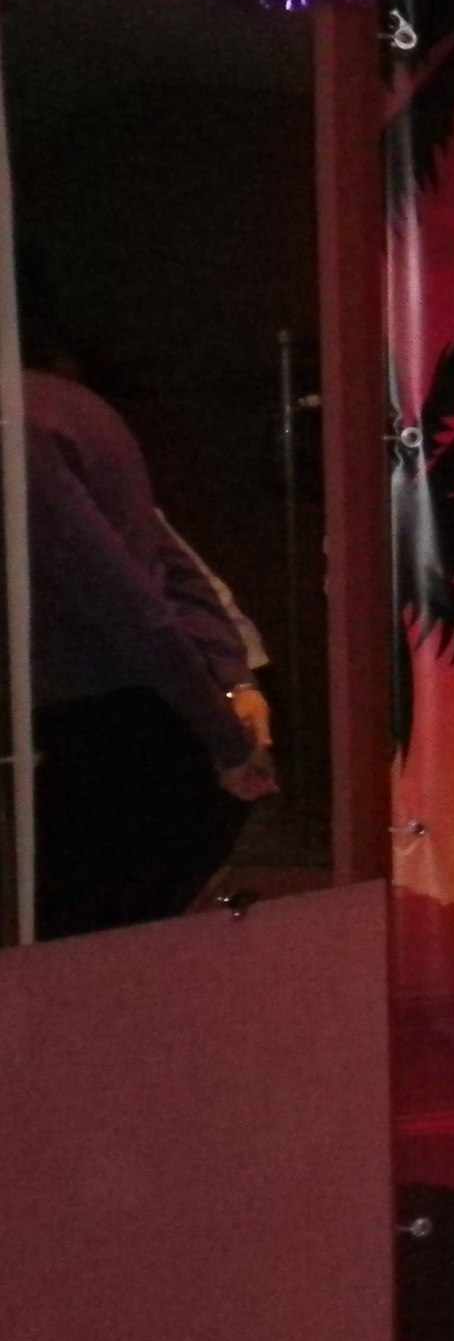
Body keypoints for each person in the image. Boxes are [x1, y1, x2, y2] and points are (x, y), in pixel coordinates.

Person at [23, 326, 276, 938]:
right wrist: (233, 683)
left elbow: (129, 601)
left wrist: (224, 730)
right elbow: (168, 562)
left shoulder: (26, 424)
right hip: (153, 693)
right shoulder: (67, 407)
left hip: (109, 713)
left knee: (85, 941)